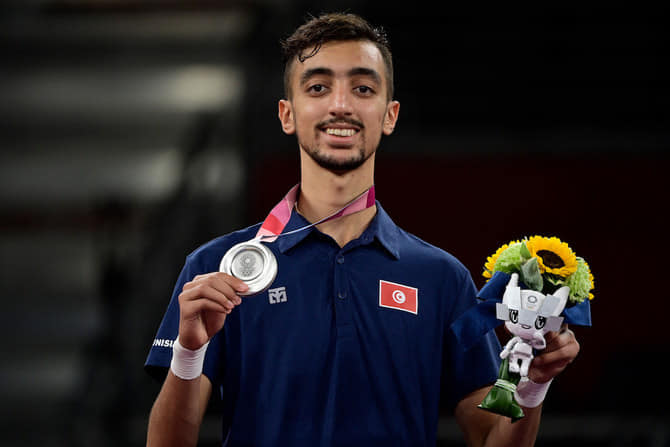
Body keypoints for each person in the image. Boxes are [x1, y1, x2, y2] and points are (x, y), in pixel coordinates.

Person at [145, 12, 580, 447]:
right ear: (287, 114)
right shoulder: (217, 269)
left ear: (390, 115)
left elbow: (489, 439)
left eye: (363, 89)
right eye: (318, 87)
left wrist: (532, 385)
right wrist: (188, 353)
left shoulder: (442, 278)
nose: (341, 105)